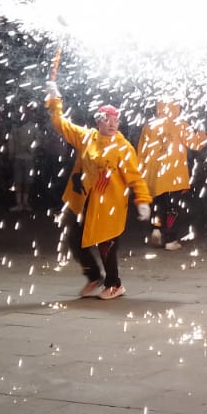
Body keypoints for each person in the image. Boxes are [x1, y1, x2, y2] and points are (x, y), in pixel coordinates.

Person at [47, 82, 152, 300]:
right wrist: (54, 99)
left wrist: (142, 199)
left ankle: (114, 284)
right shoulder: (87, 137)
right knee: (74, 238)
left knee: (107, 245)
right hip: (80, 200)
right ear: (98, 122)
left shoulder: (123, 148)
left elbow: (134, 176)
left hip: (108, 205)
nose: (113, 124)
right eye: (108, 120)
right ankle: (94, 276)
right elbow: (60, 123)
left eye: (116, 121)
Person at [136, 100, 207, 250]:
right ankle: (170, 240)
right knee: (172, 207)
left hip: (154, 174)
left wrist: (140, 173)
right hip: (174, 175)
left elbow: (141, 152)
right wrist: (202, 134)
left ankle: (156, 230)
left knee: (157, 203)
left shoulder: (149, 126)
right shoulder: (181, 124)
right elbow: (195, 144)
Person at [6, 104, 39, 213]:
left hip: (29, 157)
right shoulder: (15, 127)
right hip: (18, 156)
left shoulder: (34, 126)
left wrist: (30, 148)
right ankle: (19, 203)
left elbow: (38, 140)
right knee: (18, 180)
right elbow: (11, 140)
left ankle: (25, 202)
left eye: (28, 112)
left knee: (27, 181)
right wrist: (11, 152)